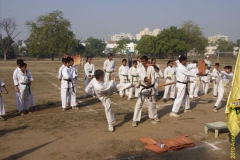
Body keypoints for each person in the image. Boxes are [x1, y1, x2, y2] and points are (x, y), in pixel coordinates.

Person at [132, 56, 159, 127]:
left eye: (144, 61)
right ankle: (135, 120)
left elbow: (157, 70)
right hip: (143, 88)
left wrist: (153, 65)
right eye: (142, 61)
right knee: (139, 104)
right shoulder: (139, 69)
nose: (143, 63)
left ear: (147, 61)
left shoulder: (151, 67)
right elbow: (141, 76)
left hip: (151, 88)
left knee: (152, 103)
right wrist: (147, 80)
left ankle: (154, 116)